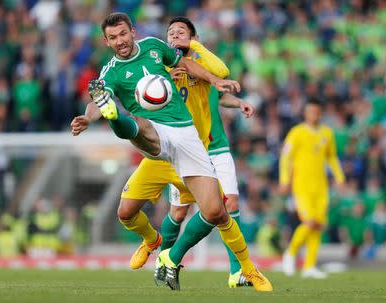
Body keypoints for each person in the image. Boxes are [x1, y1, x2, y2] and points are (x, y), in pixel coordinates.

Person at [71, 12, 272, 291]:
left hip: (187, 135)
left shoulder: (155, 47)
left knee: (216, 212)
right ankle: (115, 115)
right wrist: (89, 117)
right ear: (106, 42)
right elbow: (94, 101)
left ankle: (245, 270)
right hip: (153, 133)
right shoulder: (111, 72)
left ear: (133, 31)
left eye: (123, 34)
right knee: (138, 146)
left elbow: (186, 62)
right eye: (113, 38)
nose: (120, 41)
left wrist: (214, 81)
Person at [159, 17, 255, 288]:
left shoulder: (206, 63)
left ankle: (236, 272)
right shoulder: (165, 66)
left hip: (216, 144)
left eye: (181, 32)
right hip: (185, 147)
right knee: (178, 213)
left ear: (194, 37)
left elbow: (219, 85)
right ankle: (165, 261)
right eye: (170, 32)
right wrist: (167, 77)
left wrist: (238, 103)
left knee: (230, 203)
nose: (174, 35)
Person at [279, 98, 345, 279]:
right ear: (305, 113)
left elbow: (331, 157)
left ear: (320, 113)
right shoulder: (296, 133)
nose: (313, 115)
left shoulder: (327, 133)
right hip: (301, 186)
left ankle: (309, 266)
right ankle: (290, 253)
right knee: (309, 222)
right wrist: (285, 180)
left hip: (321, 186)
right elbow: (286, 158)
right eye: (310, 112)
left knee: (318, 225)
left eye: (316, 112)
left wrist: (339, 177)